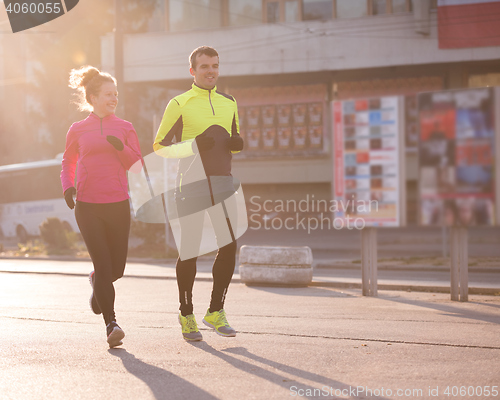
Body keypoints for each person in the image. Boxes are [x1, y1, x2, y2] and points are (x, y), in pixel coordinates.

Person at [153, 46, 244, 341]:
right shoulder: (179, 103)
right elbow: (160, 146)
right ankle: (186, 313)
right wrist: (192, 146)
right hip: (190, 185)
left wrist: (235, 143)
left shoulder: (229, 102)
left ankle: (215, 311)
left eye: (215, 65)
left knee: (229, 247)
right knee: (189, 252)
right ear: (192, 71)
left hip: (221, 184)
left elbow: (232, 136)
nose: (211, 71)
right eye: (204, 66)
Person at [61, 66, 142, 348]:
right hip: (88, 206)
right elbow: (68, 162)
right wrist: (68, 186)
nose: (114, 98)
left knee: (115, 269)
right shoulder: (78, 129)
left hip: (118, 204)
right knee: (103, 263)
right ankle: (111, 324)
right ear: (93, 97)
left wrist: (120, 146)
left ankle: (97, 282)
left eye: (116, 94)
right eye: (108, 94)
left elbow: (136, 166)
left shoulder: (125, 127)